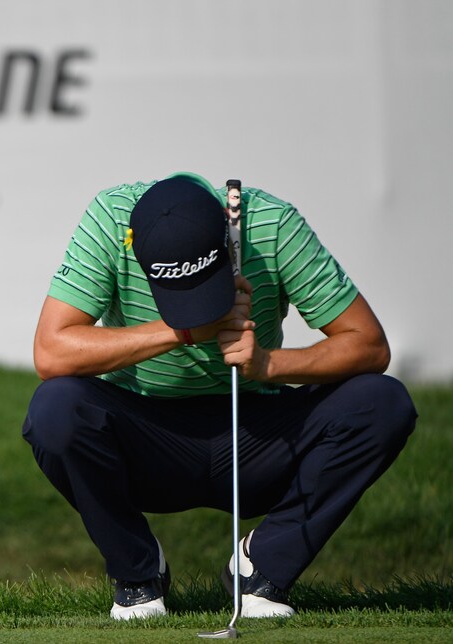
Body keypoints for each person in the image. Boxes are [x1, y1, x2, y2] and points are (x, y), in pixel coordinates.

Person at [21, 172, 417, 619]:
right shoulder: (112, 221)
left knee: (382, 403)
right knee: (55, 409)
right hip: (145, 438)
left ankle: (263, 567)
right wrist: (183, 330)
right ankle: (138, 573)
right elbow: (51, 352)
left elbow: (369, 344)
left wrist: (268, 363)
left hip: (257, 435)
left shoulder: (271, 225)